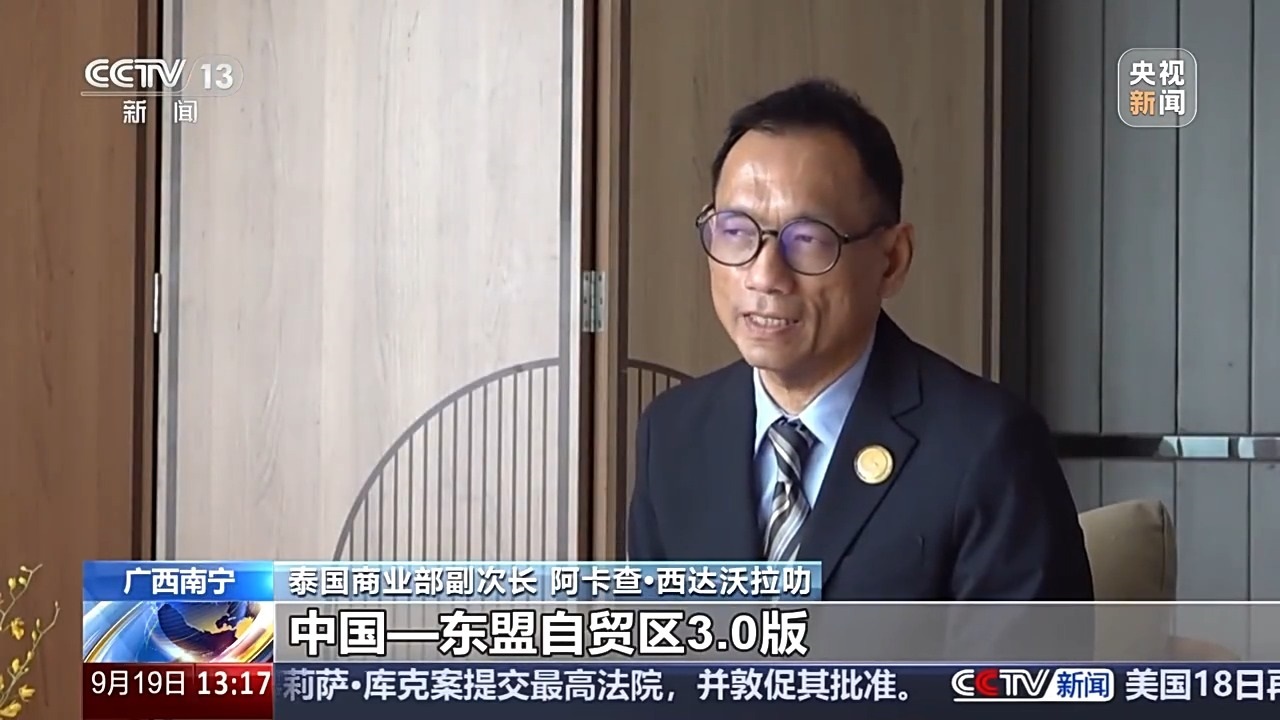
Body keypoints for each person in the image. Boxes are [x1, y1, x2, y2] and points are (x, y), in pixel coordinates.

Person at [627, 79, 1094, 606]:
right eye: (735, 231)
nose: (764, 276)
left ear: (892, 260)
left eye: (807, 239)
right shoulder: (673, 435)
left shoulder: (989, 449)